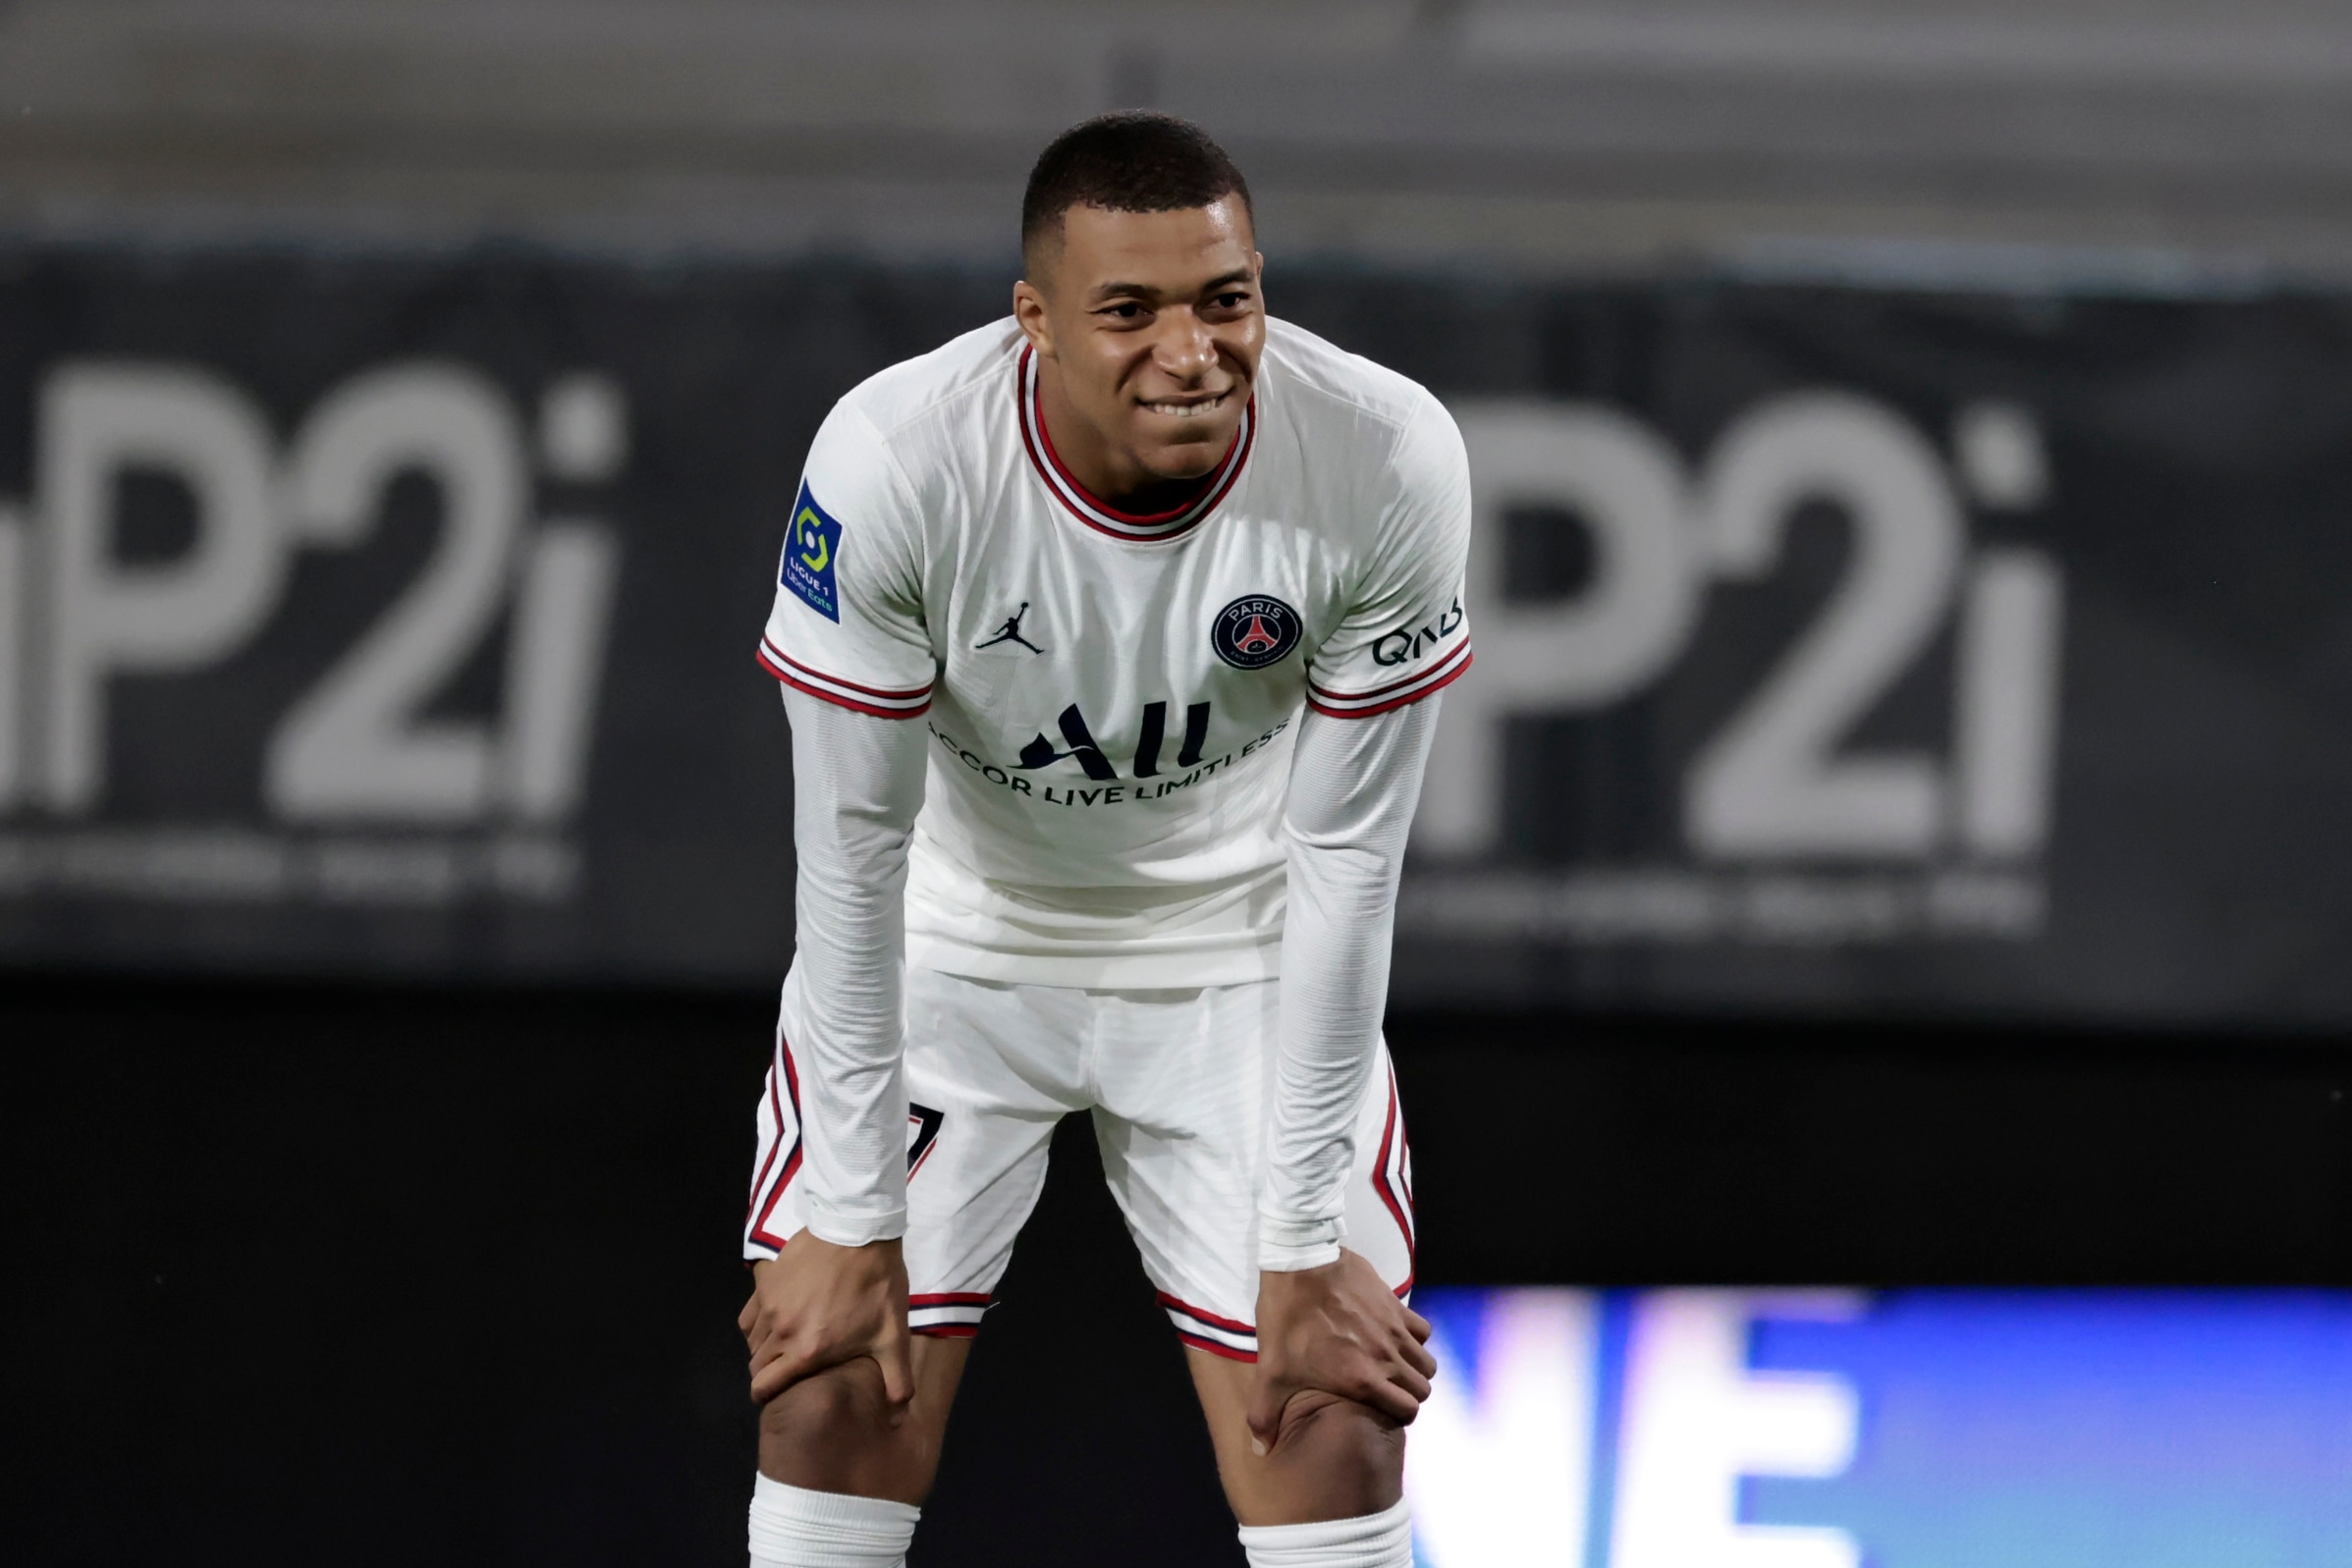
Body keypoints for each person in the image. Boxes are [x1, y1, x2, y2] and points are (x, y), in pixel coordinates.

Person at [736, 110, 1472, 1568]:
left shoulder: (1384, 456)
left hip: (1239, 950)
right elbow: (857, 851)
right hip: (956, 934)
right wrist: (851, 1207)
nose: (1190, 350)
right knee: (828, 1387)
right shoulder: (897, 463)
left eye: (1228, 299)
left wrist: (1305, 1241)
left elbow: (1347, 861)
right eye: (1128, 310)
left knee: (1327, 1413)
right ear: (1035, 324)